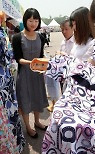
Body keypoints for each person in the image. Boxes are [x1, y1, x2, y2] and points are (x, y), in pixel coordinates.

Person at [12, 8, 48, 138]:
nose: (33, 23)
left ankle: (37, 122)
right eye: (30, 20)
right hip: (25, 74)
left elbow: (42, 55)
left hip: (38, 74)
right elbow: (18, 58)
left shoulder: (41, 37)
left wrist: (44, 64)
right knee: (26, 100)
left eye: (36, 20)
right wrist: (31, 63)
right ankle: (28, 126)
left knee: (37, 98)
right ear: (25, 20)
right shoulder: (17, 37)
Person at [0, 26, 25, 153]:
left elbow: (8, 52)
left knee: (10, 111)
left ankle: (14, 142)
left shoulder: (1, 30)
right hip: (3, 78)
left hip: (6, 76)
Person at [46, 17, 74, 112]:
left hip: (73, 76)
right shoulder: (63, 42)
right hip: (63, 75)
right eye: (62, 29)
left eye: (66, 29)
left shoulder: (77, 42)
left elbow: (76, 60)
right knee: (63, 93)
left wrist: (64, 55)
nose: (64, 32)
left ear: (73, 28)